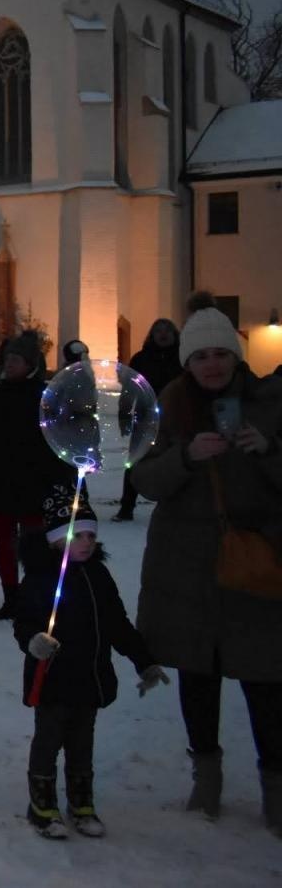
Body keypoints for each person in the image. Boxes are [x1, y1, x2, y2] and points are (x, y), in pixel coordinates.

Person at [130, 296, 282, 835]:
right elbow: (143, 478)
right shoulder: (166, 407)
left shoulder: (269, 403)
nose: (212, 365)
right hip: (186, 568)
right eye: (202, 357)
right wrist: (186, 456)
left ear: (237, 358)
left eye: (221, 354)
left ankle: (275, 786)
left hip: (253, 563)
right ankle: (207, 776)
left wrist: (266, 449)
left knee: (266, 680)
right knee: (199, 674)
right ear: (188, 363)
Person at [14, 491, 168, 838]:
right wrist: (34, 641)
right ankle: (42, 805)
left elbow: (117, 624)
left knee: (82, 744)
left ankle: (82, 803)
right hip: (52, 679)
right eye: (76, 535)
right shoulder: (40, 578)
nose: (85, 543)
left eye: (90, 536)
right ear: (55, 540)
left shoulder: (98, 576)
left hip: (90, 678)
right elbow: (23, 622)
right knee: (49, 740)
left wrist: (144, 662)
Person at [0, 330, 72, 621]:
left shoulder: (45, 397)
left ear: (31, 364)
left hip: (34, 486)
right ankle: (10, 595)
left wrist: (57, 480)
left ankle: (35, 595)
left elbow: (58, 442)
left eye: (16, 359)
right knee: (3, 543)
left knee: (34, 544)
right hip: (1, 484)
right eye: (8, 359)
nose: (10, 364)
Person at [114, 318, 182, 522]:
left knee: (175, 462)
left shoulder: (181, 359)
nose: (163, 334)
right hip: (144, 417)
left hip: (174, 417)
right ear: (152, 335)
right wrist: (124, 415)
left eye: (167, 330)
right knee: (135, 462)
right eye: (158, 330)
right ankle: (127, 507)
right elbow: (129, 390)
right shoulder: (141, 359)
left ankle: (174, 506)